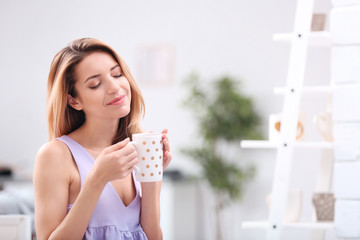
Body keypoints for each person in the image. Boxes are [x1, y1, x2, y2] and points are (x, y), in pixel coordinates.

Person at [33, 38, 172, 240]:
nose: (115, 87)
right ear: (74, 100)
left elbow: (152, 236)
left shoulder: (137, 150)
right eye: (95, 84)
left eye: (117, 74)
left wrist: (152, 176)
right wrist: (96, 181)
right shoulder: (55, 155)